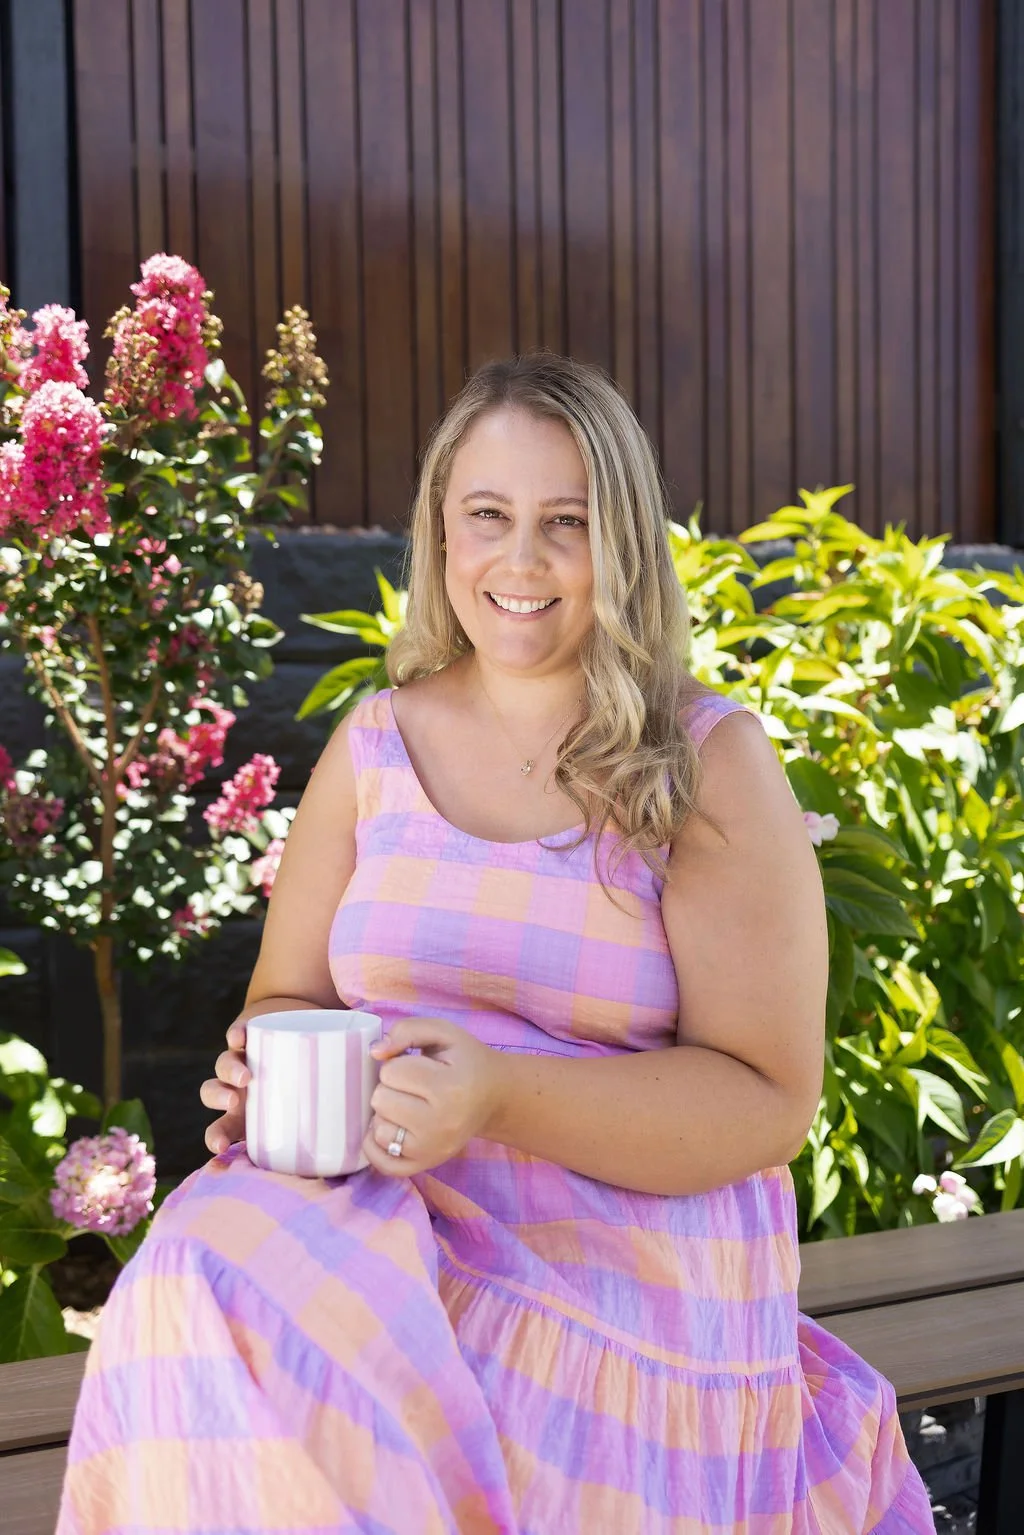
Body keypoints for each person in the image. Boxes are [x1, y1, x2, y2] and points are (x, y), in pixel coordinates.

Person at [58, 353, 934, 1533]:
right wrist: (262, 1068)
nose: (519, 562)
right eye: (489, 516)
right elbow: (287, 992)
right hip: (383, 1207)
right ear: (440, 530)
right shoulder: (375, 743)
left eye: (563, 522)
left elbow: (768, 1100)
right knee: (194, 1270)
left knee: (408, 1379)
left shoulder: (704, 762)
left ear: (619, 541)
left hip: (626, 1255)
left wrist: (496, 1096)